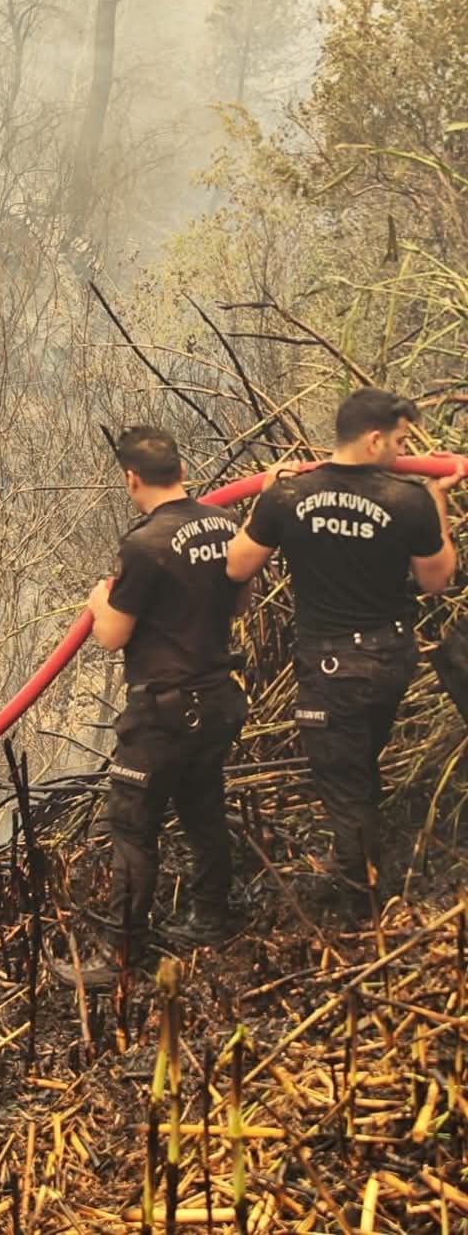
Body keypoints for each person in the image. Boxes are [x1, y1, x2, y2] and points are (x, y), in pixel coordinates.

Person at [226, 389, 463, 918]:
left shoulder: (288, 497)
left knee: (346, 787)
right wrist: (438, 499)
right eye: (402, 440)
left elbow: (238, 566)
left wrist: (262, 499)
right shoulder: (408, 500)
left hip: (331, 670)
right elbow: (436, 581)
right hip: (389, 660)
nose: (404, 449)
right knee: (359, 771)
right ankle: (363, 876)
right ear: (375, 437)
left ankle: (360, 910)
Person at [88, 426, 250, 959]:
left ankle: (123, 954)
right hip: (218, 697)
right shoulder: (225, 523)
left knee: (131, 825)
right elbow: (239, 601)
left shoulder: (144, 544)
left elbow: (113, 636)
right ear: (182, 470)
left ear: (131, 479)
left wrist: (97, 602)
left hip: (164, 712)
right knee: (203, 808)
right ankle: (211, 918)